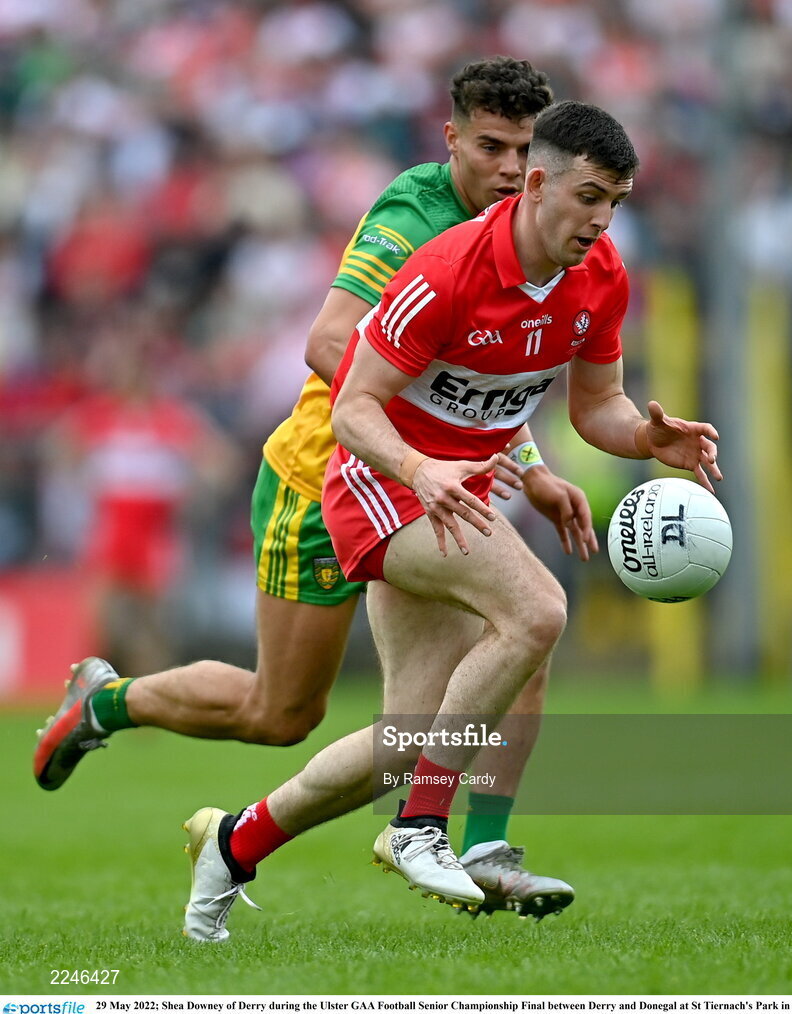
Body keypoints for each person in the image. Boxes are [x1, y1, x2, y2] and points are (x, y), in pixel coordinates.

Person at [34, 58, 596, 920]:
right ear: (451, 139)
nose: (511, 170)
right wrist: (418, 455)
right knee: (280, 711)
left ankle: (477, 843)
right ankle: (107, 702)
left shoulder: (533, 233)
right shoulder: (415, 215)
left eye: (526, 150)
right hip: (323, 474)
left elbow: (477, 377)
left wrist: (526, 465)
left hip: (427, 486)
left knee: (515, 631)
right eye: (491, 147)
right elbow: (333, 344)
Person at [177, 99, 722, 942]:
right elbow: (353, 404)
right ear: (538, 184)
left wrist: (648, 439)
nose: (601, 219)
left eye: (614, 200)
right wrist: (421, 468)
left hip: (455, 495)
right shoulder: (445, 268)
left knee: (404, 739)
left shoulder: (602, 273)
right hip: (379, 482)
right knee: (535, 611)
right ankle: (429, 829)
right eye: (587, 197)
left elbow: (599, 405)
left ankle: (232, 842)